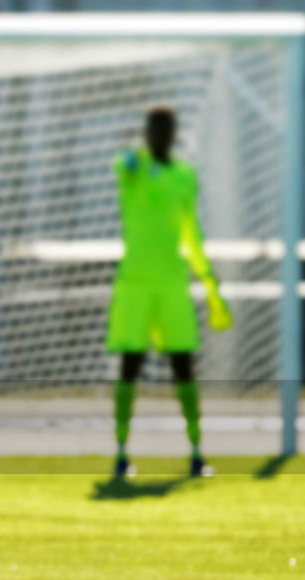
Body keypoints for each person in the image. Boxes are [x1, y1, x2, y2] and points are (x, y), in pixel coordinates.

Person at [108, 106, 232, 478]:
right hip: (134, 284)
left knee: (184, 366)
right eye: (152, 129)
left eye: (165, 129)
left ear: (174, 133)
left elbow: (191, 234)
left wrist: (210, 285)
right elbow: (122, 164)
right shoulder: (132, 167)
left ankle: (196, 450)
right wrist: (135, 156)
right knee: (130, 366)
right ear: (145, 132)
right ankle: (121, 451)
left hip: (172, 283)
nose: (158, 135)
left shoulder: (184, 177)